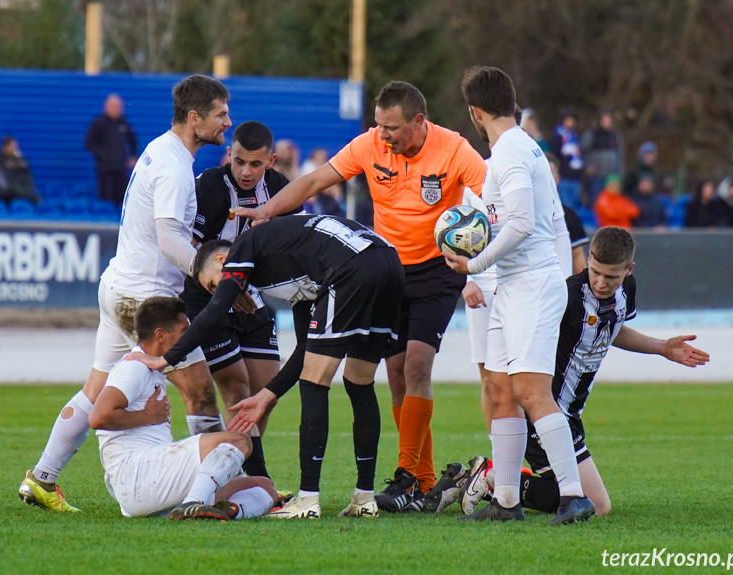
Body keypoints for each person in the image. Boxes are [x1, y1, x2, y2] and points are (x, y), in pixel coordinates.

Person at [231, 81, 488, 513]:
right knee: (396, 373)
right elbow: (314, 180)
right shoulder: (369, 144)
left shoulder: (457, 150)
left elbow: (493, 201)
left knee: (418, 363)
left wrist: (482, 269)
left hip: (437, 271)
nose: (383, 135)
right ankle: (423, 480)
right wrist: (266, 211)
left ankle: (407, 476)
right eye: (378, 125)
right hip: (386, 269)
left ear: (419, 122)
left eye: (391, 128)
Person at [19, 75, 232, 512]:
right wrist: (203, 267)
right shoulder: (174, 167)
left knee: (96, 390)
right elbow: (169, 237)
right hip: (147, 298)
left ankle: (42, 477)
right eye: (220, 115)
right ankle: (214, 487)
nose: (227, 122)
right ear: (195, 119)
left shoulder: (159, 148)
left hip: (118, 285)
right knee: (200, 393)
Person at [128, 214, 404, 519]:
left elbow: (216, 311)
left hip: (352, 267)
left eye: (212, 283)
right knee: (358, 381)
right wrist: (267, 395)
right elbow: (305, 349)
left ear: (221, 260)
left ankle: (307, 500)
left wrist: (166, 358)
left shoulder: (242, 248)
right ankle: (364, 499)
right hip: (389, 262)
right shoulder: (297, 264)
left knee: (315, 383)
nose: (218, 292)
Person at [448, 227, 710, 518]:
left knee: (582, 499)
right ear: (588, 262)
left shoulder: (627, 291)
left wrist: (661, 347)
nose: (600, 282)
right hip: (544, 417)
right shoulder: (568, 295)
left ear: (629, 270)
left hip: (569, 416)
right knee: (597, 506)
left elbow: (612, 329)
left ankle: (493, 479)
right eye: (595, 272)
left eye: (611, 277)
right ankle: (490, 478)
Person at [446, 66, 594, 525]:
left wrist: (474, 264)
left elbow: (524, 223)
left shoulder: (511, 152)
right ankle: (506, 500)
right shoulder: (512, 149)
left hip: (532, 284)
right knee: (499, 389)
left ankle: (574, 496)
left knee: (530, 390)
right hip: (511, 286)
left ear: (475, 112)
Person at [89, 295, 277, 521]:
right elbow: (98, 417)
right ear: (160, 335)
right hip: (136, 475)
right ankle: (192, 503)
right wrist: (146, 415)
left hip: (150, 485)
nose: (191, 340)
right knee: (239, 440)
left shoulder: (151, 369)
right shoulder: (133, 368)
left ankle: (226, 513)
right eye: (184, 332)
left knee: (264, 487)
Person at [187, 120, 298, 478]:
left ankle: (238, 471)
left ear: (271, 161)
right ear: (228, 155)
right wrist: (225, 289)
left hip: (252, 297)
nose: (245, 171)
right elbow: (193, 251)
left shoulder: (282, 190)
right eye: (239, 162)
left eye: (255, 164)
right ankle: (252, 478)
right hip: (207, 297)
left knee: (266, 393)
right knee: (236, 387)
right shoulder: (209, 186)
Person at [85, 94, 139, 206]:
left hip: (121, 168)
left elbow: (133, 140)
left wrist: (133, 156)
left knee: (122, 198)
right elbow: (89, 143)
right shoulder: (98, 123)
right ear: (106, 107)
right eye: (114, 106)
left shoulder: (124, 122)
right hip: (104, 169)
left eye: (119, 107)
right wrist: (102, 154)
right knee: (106, 198)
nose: (117, 109)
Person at [581, 109, 624, 206]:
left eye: (609, 120)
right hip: (596, 177)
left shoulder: (614, 137)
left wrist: (619, 175)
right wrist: (587, 167)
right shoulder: (591, 135)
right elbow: (581, 152)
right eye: (604, 120)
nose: (607, 123)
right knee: (596, 203)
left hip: (611, 178)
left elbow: (620, 156)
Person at [549, 108, 584, 208]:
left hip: (575, 177)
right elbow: (555, 156)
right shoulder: (557, 136)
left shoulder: (574, 136)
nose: (572, 122)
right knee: (565, 207)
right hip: (564, 178)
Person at [0, 136, 40, 204]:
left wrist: (19, 159)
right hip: (10, 191)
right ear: (4, 146)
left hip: (24, 188)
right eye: (11, 146)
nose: (14, 148)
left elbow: (27, 174)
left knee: (36, 198)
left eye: (15, 146)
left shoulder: (20, 159)